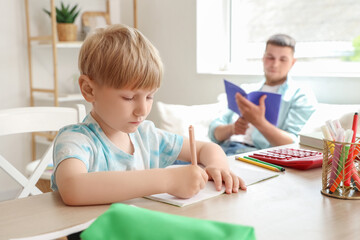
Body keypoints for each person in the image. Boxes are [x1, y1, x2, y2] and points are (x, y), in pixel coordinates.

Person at [51, 24, 246, 206]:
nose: (142, 110)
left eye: (150, 96)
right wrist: (168, 179)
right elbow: (73, 188)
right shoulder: (76, 139)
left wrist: (218, 167)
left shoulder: (147, 136)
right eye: (128, 98)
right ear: (89, 90)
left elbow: (207, 148)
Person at [209, 34, 317, 155]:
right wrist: (233, 128)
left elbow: (293, 144)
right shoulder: (246, 90)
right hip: (220, 150)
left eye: (283, 59)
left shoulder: (300, 95)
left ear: (292, 62)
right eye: (270, 57)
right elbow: (214, 131)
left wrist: (259, 122)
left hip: (254, 154)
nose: (275, 64)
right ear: (263, 58)